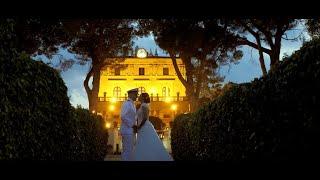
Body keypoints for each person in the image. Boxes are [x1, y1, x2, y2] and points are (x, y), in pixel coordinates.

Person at [132, 93, 173, 161]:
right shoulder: (141, 105)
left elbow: (145, 118)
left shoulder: (144, 106)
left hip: (144, 126)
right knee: (142, 143)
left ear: (143, 98)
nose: (138, 97)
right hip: (141, 127)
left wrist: (139, 126)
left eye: (140, 96)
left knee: (145, 142)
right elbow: (138, 117)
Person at [120, 88, 139, 161]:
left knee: (130, 151)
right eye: (135, 95)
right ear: (130, 94)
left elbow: (133, 117)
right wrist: (132, 125)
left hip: (131, 131)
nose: (136, 96)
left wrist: (135, 125)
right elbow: (123, 116)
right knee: (127, 151)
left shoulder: (132, 104)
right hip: (127, 131)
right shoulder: (126, 103)